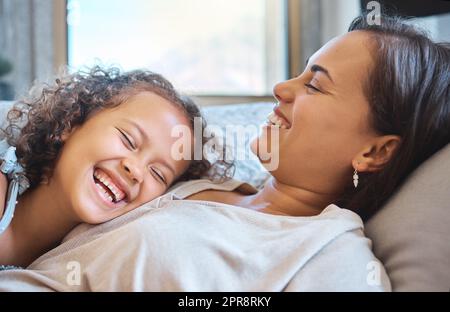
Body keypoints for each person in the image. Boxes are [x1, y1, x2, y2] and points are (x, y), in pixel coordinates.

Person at [0, 13, 448, 291]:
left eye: (314, 84)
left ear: (374, 152)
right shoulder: (201, 183)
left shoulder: (328, 253)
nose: (281, 89)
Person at [0, 67, 232, 268]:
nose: (137, 171)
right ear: (70, 123)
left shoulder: (91, 263)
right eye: (128, 140)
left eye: (158, 174)